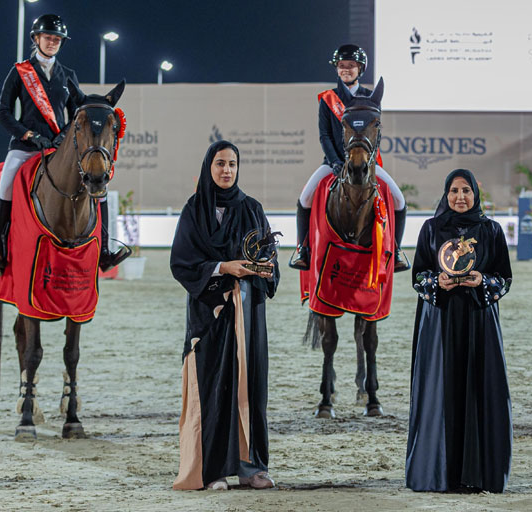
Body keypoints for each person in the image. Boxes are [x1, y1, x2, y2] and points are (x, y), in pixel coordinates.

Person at [170, 140, 279, 491]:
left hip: (249, 312)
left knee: (250, 388)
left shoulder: (252, 208)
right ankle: (212, 470)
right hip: (210, 313)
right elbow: (182, 262)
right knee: (214, 387)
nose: (227, 170)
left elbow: (269, 255)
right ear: (209, 167)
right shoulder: (193, 210)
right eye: (220, 163)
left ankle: (251, 468)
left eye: (232, 164)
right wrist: (223, 267)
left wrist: (265, 270)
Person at [405, 168, 513, 493]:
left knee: (479, 390)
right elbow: (418, 277)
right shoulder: (431, 228)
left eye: (466, 190)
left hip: (479, 322)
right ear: (446, 194)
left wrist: (483, 281)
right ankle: (438, 473)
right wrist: (436, 282)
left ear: (475, 194)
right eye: (454, 191)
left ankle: (477, 474)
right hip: (439, 321)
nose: (460, 197)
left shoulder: (491, 231)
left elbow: (504, 279)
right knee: (440, 392)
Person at [0, 13, 127, 274]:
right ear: (36, 39)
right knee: (5, 184)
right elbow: (3, 111)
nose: (52, 42)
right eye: (48, 38)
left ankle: (104, 250)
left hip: (58, 147)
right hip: (25, 147)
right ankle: (1, 245)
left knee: (97, 179)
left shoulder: (67, 75)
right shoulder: (20, 71)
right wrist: (27, 135)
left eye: (57, 39)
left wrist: (60, 137)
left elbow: (76, 114)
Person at [290, 44, 408, 271]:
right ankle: (302, 250)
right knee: (304, 198)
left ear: (360, 69)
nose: (346, 70)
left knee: (399, 200)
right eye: (342, 66)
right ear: (336, 69)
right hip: (333, 162)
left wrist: (369, 160)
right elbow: (324, 135)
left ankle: (396, 249)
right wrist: (335, 162)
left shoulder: (370, 97)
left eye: (351, 66)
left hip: (366, 162)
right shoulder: (328, 99)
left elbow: (376, 132)